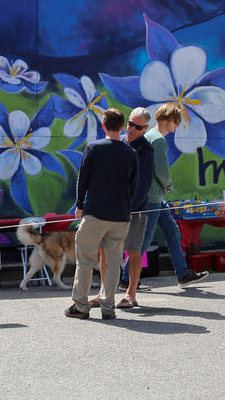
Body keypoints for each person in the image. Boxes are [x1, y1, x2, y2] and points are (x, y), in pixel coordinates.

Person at [65, 108, 137, 320]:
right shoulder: (131, 153)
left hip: (95, 213)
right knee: (114, 262)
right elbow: (133, 186)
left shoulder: (93, 148)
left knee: (85, 260)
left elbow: (83, 179)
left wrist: (79, 204)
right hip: (121, 216)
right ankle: (108, 306)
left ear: (104, 126)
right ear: (122, 127)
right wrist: (127, 207)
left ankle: (80, 305)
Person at [135, 102, 209, 288]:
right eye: (176, 122)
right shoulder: (159, 139)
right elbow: (161, 169)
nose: (177, 127)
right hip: (154, 197)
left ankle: (183, 274)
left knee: (172, 231)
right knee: (144, 241)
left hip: (154, 197)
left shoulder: (148, 135)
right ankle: (127, 279)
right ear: (168, 120)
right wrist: (168, 185)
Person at [105, 107, 155, 309]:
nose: (132, 129)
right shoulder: (120, 143)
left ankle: (131, 293)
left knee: (134, 251)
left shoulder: (146, 150)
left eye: (138, 126)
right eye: (130, 124)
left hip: (135, 209)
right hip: (114, 207)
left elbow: (143, 185)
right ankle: (104, 292)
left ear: (145, 128)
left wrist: (131, 209)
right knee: (106, 251)